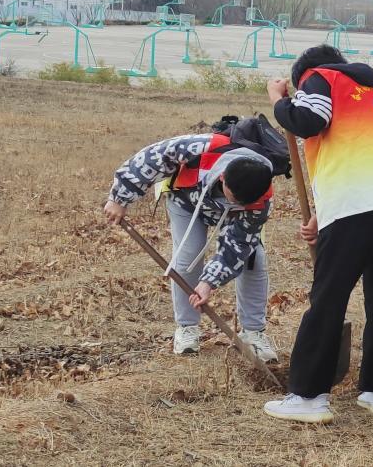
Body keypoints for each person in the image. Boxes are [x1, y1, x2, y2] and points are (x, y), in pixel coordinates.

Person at [263, 45, 373, 424]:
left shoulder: (321, 77)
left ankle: (308, 396)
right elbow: (365, 152)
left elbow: (308, 122)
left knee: (329, 296)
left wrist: (279, 101)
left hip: (358, 198)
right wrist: (323, 212)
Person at [103, 129, 278, 361]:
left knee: (253, 260)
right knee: (188, 255)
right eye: (233, 197)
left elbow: (238, 246)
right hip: (187, 201)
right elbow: (150, 158)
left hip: (232, 219)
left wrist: (208, 283)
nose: (234, 202)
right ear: (223, 177)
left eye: (243, 202)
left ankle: (253, 333)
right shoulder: (203, 146)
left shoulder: (260, 201)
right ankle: (187, 329)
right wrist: (119, 198)